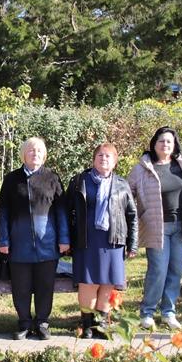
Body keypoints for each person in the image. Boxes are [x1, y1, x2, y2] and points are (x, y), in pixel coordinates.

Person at [128, 126, 182, 330]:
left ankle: (168, 312)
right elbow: (128, 195)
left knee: (175, 270)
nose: (165, 145)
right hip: (156, 227)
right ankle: (147, 312)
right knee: (158, 270)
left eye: (169, 141)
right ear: (154, 143)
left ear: (174, 145)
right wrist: (132, 222)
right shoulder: (142, 168)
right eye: (161, 141)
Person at [0, 137, 70, 340]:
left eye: (39, 150)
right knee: (20, 287)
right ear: (23, 154)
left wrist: (64, 239)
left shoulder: (52, 178)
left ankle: (42, 322)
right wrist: (3, 240)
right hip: (19, 245)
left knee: (45, 286)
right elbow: (2, 212)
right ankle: (24, 322)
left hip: (48, 244)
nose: (35, 153)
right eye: (31, 150)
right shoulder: (12, 180)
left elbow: (61, 211)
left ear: (44, 154)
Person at [67, 142, 138, 339]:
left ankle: (101, 325)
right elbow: (67, 211)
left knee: (108, 283)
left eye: (108, 156)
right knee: (87, 282)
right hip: (86, 240)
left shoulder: (122, 184)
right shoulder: (80, 181)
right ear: (93, 159)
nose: (104, 159)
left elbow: (131, 216)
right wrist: (66, 239)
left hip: (113, 241)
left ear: (115, 162)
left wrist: (132, 244)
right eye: (100, 155)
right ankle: (87, 325)